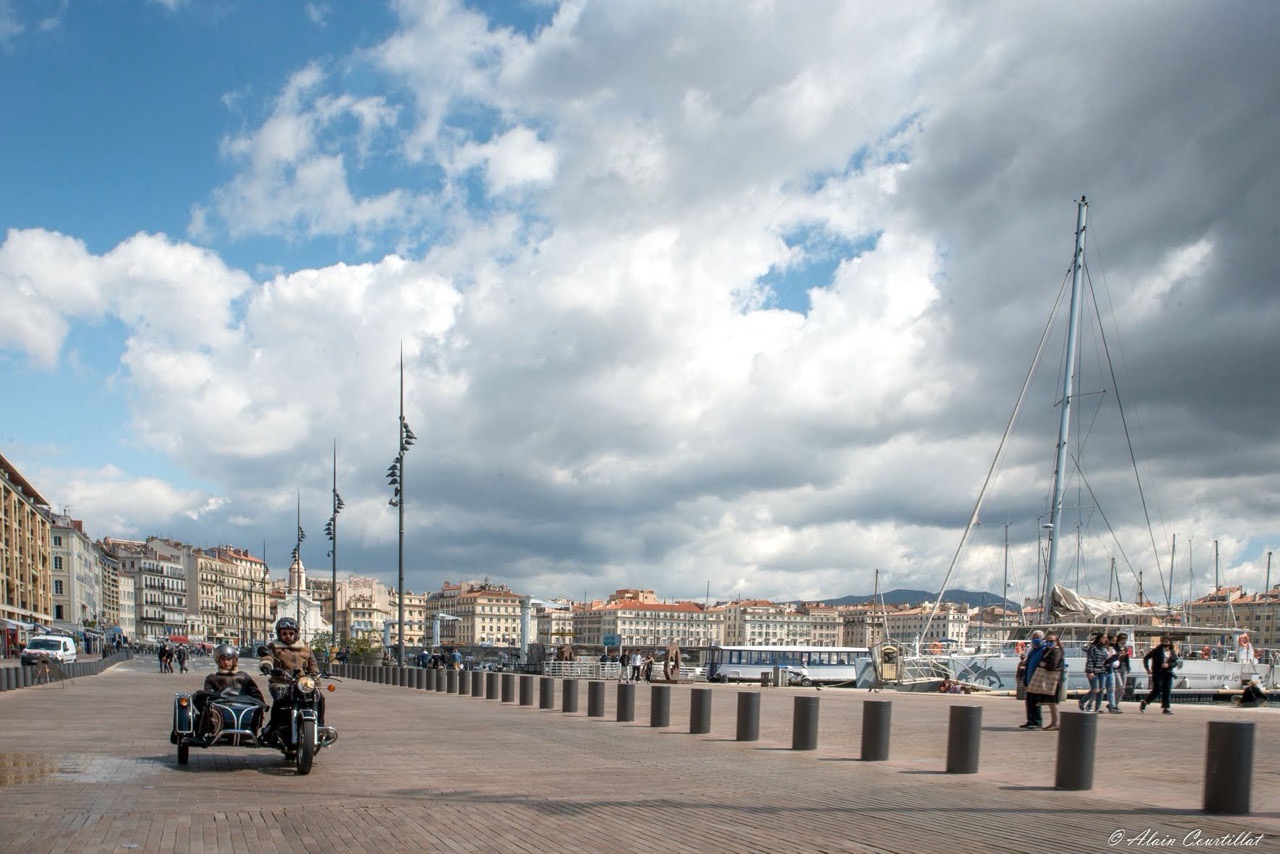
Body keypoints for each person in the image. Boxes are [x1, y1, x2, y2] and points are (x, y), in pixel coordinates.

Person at [258, 618, 323, 746]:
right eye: (284, 633)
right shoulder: (274, 647)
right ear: (279, 634)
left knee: (320, 699)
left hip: (302, 683)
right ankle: (273, 729)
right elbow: (267, 657)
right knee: (279, 701)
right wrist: (267, 665)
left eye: (291, 633)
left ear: (296, 633)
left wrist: (317, 684)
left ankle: (319, 727)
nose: (288, 636)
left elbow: (313, 667)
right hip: (281, 682)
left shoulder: (306, 648)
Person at [192, 644, 266, 735]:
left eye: (229, 659)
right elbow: (208, 699)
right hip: (221, 714)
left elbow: (257, 695)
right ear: (218, 661)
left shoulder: (244, 677)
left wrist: (262, 708)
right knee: (203, 699)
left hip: (245, 714)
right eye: (223, 660)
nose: (226, 663)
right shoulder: (212, 678)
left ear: (234, 660)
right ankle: (204, 731)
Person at [1140, 635, 1178, 714]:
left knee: (1167, 690)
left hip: (1168, 673)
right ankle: (1145, 702)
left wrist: (1169, 665)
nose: (1165, 643)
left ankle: (1166, 708)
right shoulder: (1157, 650)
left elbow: (1175, 662)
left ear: (1170, 642)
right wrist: (1147, 668)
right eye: (1163, 642)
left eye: (1167, 642)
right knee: (1157, 689)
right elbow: (1146, 658)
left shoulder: (1172, 651)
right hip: (1158, 673)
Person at [1034, 632, 1064, 731]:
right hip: (1052, 678)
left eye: (1051, 641)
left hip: (1053, 679)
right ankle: (1054, 722)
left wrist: (1044, 665)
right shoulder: (1049, 650)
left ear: (1057, 642)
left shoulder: (1056, 651)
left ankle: (1055, 722)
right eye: (1047, 641)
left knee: (1052, 702)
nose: (1049, 643)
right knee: (1050, 702)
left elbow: (1053, 665)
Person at [1017, 630, 1046, 729]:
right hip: (1029, 679)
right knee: (1029, 702)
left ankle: (1037, 722)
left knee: (1036, 702)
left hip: (1037, 680)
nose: (1035, 639)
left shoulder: (1044, 650)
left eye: (1038, 637)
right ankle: (1030, 720)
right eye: (1034, 637)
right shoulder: (1032, 651)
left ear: (1042, 638)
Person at [1078, 632, 1110, 712]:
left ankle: (1097, 708)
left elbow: (1106, 660)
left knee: (1101, 689)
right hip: (1094, 671)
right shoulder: (1093, 647)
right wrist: (1090, 671)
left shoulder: (1104, 649)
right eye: (1104, 637)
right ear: (1099, 638)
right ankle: (1082, 701)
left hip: (1102, 671)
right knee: (1095, 689)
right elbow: (1090, 659)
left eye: (1106, 638)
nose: (1105, 639)